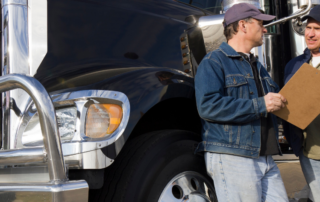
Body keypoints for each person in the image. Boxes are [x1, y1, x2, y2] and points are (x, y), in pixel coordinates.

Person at [195, 3, 288, 202]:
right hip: (233, 158)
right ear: (243, 26)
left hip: (265, 157)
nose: (265, 29)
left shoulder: (257, 66)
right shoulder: (213, 62)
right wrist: (261, 105)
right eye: (261, 23)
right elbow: (208, 106)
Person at [284, 5, 320, 202]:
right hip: (310, 152)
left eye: (318, 29)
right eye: (309, 28)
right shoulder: (294, 65)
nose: (311, 34)